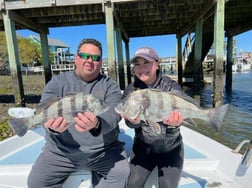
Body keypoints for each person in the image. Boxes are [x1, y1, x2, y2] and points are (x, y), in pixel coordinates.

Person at [27, 38, 130, 188]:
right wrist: (52, 127)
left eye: (95, 58)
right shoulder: (56, 83)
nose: (89, 61)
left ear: (101, 62)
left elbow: (114, 114)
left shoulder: (110, 85)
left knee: (121, 174)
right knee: (36, 182)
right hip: (60, 153)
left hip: (104, 152)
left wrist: (97, 124)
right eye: (84, 56)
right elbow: (44, 110)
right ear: (76, 58)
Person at [122, 46, 187, 188]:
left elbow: (182, 106)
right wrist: (132, 122)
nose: (141, 68)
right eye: (137, 64)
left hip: (171, 149)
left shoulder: (171, 86)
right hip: (143, 149)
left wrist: (174, 123)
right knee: (132, 184)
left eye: (146, 62)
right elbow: (129, 122)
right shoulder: (131, 90)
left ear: (157, 64)